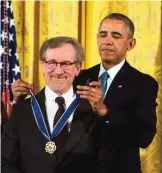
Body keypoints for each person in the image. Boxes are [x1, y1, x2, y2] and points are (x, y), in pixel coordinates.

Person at [11, 13, 158, 173]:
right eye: (103, 34)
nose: (107, 41)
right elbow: (47, 116)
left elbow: (144, 137)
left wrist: (105, 112)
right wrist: (18, 100)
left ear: (130, 44)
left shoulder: (143, 84)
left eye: (116, 36)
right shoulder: (78, 76)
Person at [1, 37, 115, 173]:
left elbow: (106, 164)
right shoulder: (21, 111)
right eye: (51, 63)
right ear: (43, 66)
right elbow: (4, 163)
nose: (58, 71)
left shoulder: (94, 110)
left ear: (78, 68)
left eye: (66, 63)